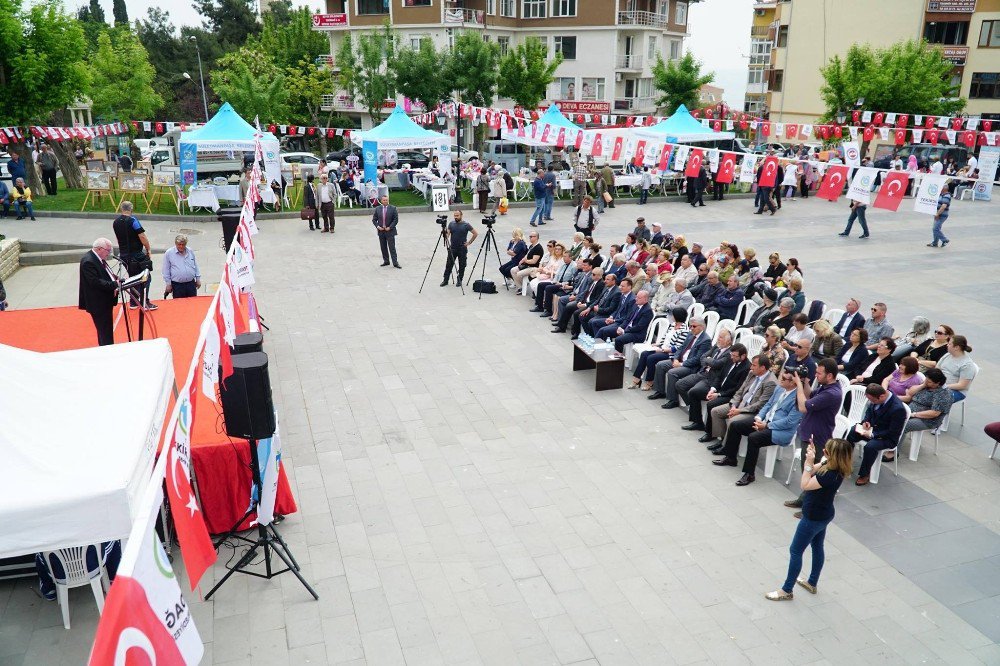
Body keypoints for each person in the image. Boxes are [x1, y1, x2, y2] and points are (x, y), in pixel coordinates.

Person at [765, 437, 852, 600]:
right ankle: (812, 583)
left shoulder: (829, 475)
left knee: (795, 550)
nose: (823, 453)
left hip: (813, 517)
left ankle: (787, 590)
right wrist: (810, 460)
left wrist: (808, 463)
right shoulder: (836, 466)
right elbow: (812, 470)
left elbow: (805, 484)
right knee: (817, 545)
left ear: (832, 454)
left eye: (825, 451)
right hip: (825, 514)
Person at [712, 370, 803, 485]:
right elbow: (769, 404)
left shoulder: (798, 399)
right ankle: (730, 457)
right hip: (765, 421)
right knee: (735, 425)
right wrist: (759, 418)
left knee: (754, 438)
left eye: (784, 379)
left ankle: (749, 474)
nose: (781, 379)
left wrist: (767, 425)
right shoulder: (779, 389)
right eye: (782, 377)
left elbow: (789, 422)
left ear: (793, 382)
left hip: (780, 430)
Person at [783, 359, 843, 514]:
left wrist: (797, 385)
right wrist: (805, 382)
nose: (816, 375)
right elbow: (809, 395)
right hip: (810, 433)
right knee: (806, 469)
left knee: (813, 473)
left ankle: (809, 507)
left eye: (819, 373)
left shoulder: (831, 393)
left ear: (829, 375)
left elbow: (804, 407)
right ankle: (803, 500)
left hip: (817, 437)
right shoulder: (826, 387)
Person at [704, 354, 778, 447]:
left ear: (763, 367)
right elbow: (740, 391)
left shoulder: (770, 382)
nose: (751, 367)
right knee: (715, 411)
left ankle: (726, 447)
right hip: (739, 405)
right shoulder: (752, 374)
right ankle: (722, 439)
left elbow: (760, 404)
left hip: (751, 411)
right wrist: (734, 405)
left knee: (733, 421)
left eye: (754, 365)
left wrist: (739, 411)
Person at [680, 343, 751, 434]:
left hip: (728, 394)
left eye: (734, 356)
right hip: (718, 389)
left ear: (743, 356)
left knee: (711, 404)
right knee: (693, 392)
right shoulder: (731, 360)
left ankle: (709, 433)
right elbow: (719, 376)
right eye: (731, 355)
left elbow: (737, 389)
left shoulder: (746, 368)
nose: (732, 357)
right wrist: (712, 389)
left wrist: (718, 395)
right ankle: (697, 422)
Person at [848, 384, 908, 485]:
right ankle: (846, 463)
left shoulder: (898, 409)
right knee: (852, 432)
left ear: (881, 396)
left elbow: (893, 431)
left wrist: (873, 435)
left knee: (870, 447)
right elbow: (869, 411)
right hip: (872, 428)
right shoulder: (876, 398)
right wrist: (866, 422)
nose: (872, 402)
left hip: (887, 438)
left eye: (873, 400)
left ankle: (864, 474)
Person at [649, 317, 710, 405]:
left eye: (694, 326)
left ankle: (673, 400)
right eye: (690, 326)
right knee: (660, 365)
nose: (691, 328)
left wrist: (681, 364)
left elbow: (697, 359)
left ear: (701, 327)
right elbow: (681, 348)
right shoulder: (690, 334)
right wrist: (676, 359)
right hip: (680, 361)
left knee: (672, 372)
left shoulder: (706, 340)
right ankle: (660, 391)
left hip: (690, 366)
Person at [112, 201, 155, 309]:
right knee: (146, 277)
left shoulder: (115, 222)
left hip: (124, 255)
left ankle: (133, 301)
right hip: (136, 255)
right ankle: (144, 301)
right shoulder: (133, 221)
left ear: (121, 209)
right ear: (131, 209)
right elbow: (142, 236)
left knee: (132, 277)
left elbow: (118, 239)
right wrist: (148, 249)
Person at [79, 238, 120, 346]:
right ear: (99, 249)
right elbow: (95, 282)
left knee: (106, 330)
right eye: (108, 250)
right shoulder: (88, 261)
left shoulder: (97, 258)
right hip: (98, 302)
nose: (109, 253)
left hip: (104, 301)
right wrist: (114, 284)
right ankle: (107, 351)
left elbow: (105, 274)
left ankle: (107, 348)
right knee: (104, 331)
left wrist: (115, 279)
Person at [901, 369, 953, 436]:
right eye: (926, 380)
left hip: (927, 420)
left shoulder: (944, 394)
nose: (926, 382)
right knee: (892, 415)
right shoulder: (926, 384)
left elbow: (934, 413)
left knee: (903, 425)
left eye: (929, 382)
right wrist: (922, 385)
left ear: (937, 383)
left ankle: (893, 445)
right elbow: (910, 392)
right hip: (911, 410)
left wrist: (914, 414)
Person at [441, 210, 478, 287]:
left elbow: (475, 233)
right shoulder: (451, 224)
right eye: (455, 215)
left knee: (462, 265)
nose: (456, 217)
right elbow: (447, 236)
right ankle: (445, 280)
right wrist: (444, 233)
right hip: (453, 248)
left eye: (457, 215)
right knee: (449, 265)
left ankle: (459, 280)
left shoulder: (466, 225)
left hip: (462, 249)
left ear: (461, 215)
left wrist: (469, 242)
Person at [936, 335, 976, 403]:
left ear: (956, 347)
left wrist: (943, 386)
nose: (947, 345)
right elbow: (937, 369)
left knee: (935, 398)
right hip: (940, 385)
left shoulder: (967, 365)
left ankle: (934, 413)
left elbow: (962, 385)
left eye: (949, 344)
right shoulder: (947, 355)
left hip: (956, 391)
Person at [162, 234, 201, 299]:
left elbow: (195, 265)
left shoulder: (190, 251)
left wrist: (198, 279)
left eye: (183, 245)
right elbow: (166, 270)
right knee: (179, 305)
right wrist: (168, 284)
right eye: (179, 244)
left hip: (190, 284)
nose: (181, 246)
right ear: (175, 244)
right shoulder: (169, 253)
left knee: (193, 304)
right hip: (177, 285)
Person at [372, 194, 401, 268]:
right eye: (384, 200)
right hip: (381, 231)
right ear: (381, 201)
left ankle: (395, 263)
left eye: (386, 200)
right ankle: (386, 261)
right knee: (383, 247)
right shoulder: (378, 208)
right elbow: (374, 219)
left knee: (392, 248)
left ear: (388, 200)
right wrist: (378, 227)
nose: (385, 201)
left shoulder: (393, 208)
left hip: (390, 231)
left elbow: (395, 219)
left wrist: (390, 227)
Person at [511, 230, 544, 295]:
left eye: (532, 236)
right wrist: (522, 260)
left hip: (533, 267)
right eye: (530, 236)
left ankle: (524, 286)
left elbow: (534, 261)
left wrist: (525, 261)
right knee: (513, 270)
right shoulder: (531, 246)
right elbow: (527, 255)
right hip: (526, 265)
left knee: (518, 273)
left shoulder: (538, 248)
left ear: (536, 237)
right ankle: (520, 287)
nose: (530, 238)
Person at [928, 181, 953, 248]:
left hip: (942, 215)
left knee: (935, 229)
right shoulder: (941, 195)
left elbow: (943, 206)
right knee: (937, 228)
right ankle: (935, 243)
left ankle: (944, 240)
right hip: (938, 214)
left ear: (944, 188)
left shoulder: (947, 196)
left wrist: (938, 214)